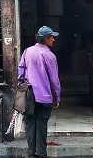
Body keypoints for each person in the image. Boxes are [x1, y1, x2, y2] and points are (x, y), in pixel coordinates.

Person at [17, 25, 61, 158]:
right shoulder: (49, 55)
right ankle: (41, 153)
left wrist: (23, 86)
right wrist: (57, 97)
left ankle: (31, 153)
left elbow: (21, 71)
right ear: (46, 39)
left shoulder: (27, 51)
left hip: (29, 94)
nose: (54, 39)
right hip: (44, 96)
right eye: (51, 37)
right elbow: (54, 80)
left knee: (30, 124)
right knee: (41, 125)